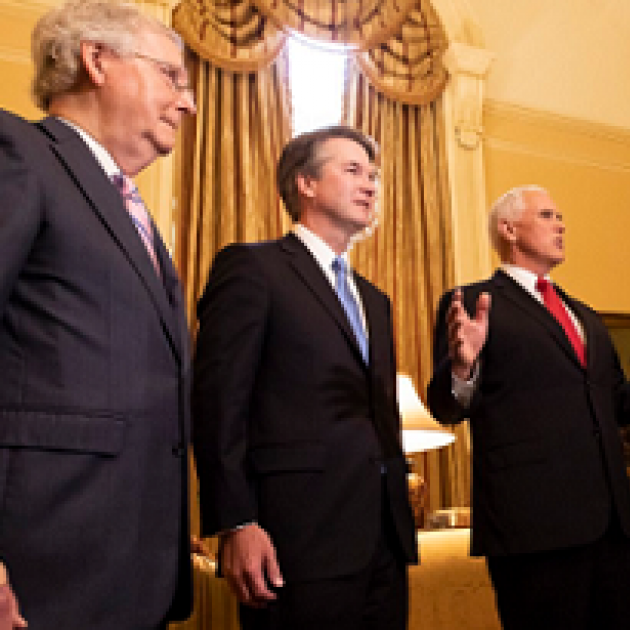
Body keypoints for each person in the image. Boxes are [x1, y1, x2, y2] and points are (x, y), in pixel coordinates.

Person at [0, 1, 196, 628]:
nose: (187, 103)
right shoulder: (20, 154)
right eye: (172, 76)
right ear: (97, 60)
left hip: (135, 567)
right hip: (46, 567)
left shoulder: (127, 206)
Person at [193, 126, 418, 630]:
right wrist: (237, 522)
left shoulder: (375, 300)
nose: (370, 185)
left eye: (374, 176)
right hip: (297, 537)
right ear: (306, 184)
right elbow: (218, 403)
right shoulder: (252, 268)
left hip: (383, 539)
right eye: (353, 170)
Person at [427, 185, 630, 630]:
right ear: (508, 229)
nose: (561, 225)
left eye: (561, 217)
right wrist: (462, 369)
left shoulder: (586, 317)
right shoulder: (473, 303)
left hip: (613, 528)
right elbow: (446, 406)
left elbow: (617, 404)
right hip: (534, 530)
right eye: (547, 215)